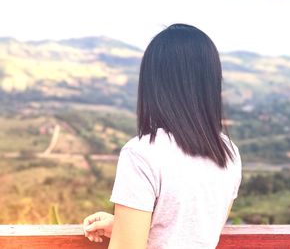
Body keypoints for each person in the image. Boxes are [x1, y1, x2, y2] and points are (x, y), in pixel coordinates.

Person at [83, 23, 242, 249]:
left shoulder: (141, 153)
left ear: (153, 83)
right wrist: (123, 226)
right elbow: (191, 230)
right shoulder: (228, 152)